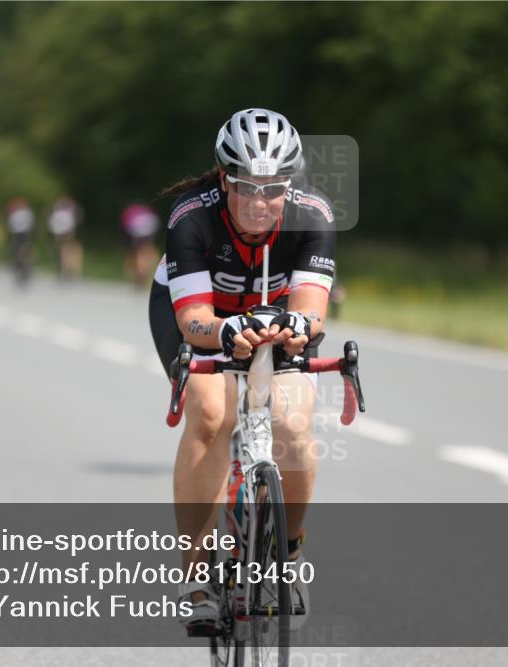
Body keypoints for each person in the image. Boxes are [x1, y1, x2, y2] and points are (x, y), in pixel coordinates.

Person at [148, 108, 336, 632]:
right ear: (223, 178)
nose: (259, 201)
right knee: (211, 413)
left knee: (294, 426)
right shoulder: (192, 217)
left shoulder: (313, 215)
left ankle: (289, 555)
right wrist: (226, 334)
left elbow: (311, 310)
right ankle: (196, 579)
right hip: (200, 315)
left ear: (289, 185)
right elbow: (193, 320)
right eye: (245, 186)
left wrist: (296, 328)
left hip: (276, 321)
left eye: (273, 188)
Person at [120, 202, 160, 287]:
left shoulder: (129, 218)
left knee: (136, 251)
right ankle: (148, 273)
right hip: (147, 223)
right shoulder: (133, 216)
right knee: (145, 249)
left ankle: (141, 274)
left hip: (137, 225)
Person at [47, 196, 83, 281]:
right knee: (67, 254)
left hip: (60, 235)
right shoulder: (67, 214)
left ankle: (65, 271)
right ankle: (68, 271)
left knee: (62, 254)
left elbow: (53, 226)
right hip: (66, 236)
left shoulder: (58, 214)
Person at [6, 197, 35, 287]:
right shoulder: (27, 213)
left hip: (19, 234)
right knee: (22, 252)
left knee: (18, 252)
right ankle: (24, 267)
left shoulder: (16, 213)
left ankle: (23, 267)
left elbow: (10, 226)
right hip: (24, 234)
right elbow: (31, 224)